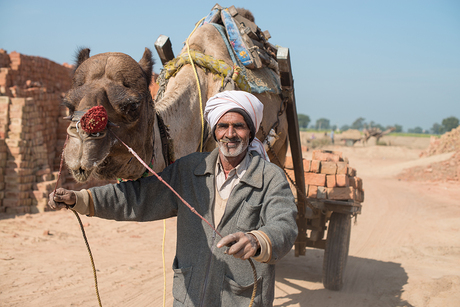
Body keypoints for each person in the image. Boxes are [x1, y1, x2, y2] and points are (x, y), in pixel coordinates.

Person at [49, 90, 298, 307]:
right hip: (189, 296)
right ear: (214, 131)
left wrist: (256, 240)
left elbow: (284, 224)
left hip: (243, 298)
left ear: (250, 132)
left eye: (239, 126)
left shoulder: (270, 177)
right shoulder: (189, 169)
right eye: (223, 126)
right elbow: (139, 197)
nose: (230, 134)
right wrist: (79, 199)